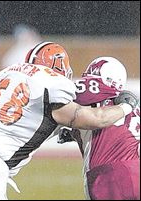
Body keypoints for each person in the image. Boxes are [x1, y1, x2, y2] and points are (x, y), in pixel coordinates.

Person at [0, 42, 139, 199]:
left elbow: (28, 117)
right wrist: (126, 105)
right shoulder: (51, 86)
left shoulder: (8, 75)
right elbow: (96, 118)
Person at [56, 57, 140, 200]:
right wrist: (73, 134)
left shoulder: (90, 96)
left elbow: (93, 117)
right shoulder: (132, 107)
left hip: (108, 176)